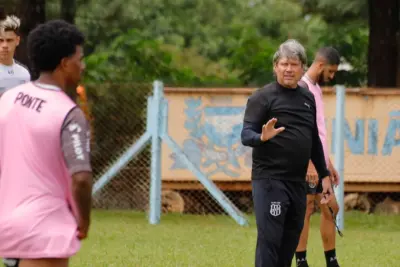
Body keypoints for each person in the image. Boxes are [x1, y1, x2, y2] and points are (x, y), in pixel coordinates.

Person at [0, 20, 92, 267]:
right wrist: (84, 220)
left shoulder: (9, 99)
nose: (82, 66)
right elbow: (81, 177)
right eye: (79, 58)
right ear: (64, 63)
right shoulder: (68, 114)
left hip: (8, 222)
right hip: (45, 229)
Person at [241, 39, 334, 267]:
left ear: (302, 67)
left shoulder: (307, 98)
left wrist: (324, 175)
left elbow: (313, 140)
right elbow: (246, 134)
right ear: (275, 67)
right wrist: (262, 138)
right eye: (284, 64)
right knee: (270, 239)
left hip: (297, 182)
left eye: (294, 64)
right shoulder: (262, 98)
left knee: (290, 241)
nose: (288, 69)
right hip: (270, 181)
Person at [295, 47, 341, 267]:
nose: (331, 77)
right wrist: (310, 164)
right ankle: (301, 261)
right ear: (321, 65)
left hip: (319, 162)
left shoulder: (316, 88)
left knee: (331, 207)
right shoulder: (301, 88)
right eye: (331, 71)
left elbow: (318, 132)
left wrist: (328, 163)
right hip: (307, 163)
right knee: (305, 210)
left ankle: (331, 260)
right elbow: (301, 132)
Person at [0, 12, 31, 94]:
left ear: (17, 40)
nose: (5, 45)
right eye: (1, 40)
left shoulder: (24, 73)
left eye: (9, 40)